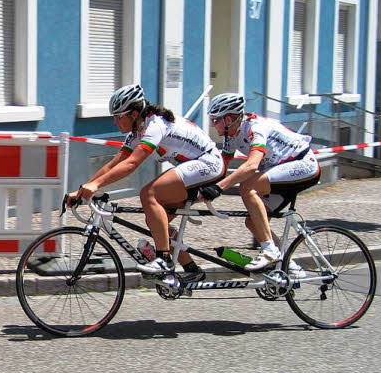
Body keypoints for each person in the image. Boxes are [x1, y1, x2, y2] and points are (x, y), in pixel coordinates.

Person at [67, 84, 223, 281]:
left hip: (208, 163)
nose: (115, 122)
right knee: (156, 221)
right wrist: (83, 189)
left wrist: (96, 186)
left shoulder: (155, 126)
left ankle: (163, 260)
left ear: (133, 114)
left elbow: (132, 164)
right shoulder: (137, 131)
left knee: (149, 194)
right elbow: (115, 163)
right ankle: (191, 269)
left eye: (118, 116)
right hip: (193, 167)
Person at [198, 92, 320, 272]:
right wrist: (198, 188)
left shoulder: (255, 128)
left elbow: (251, 165)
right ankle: (290, 267)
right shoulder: (231, 136)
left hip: (303, 164)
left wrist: (218, 188)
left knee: (248, 187)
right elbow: (222, 167)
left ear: (229, 118)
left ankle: (270, 251)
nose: (212, 124)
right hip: (279, 172)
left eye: (215, 120)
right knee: (253, 222)